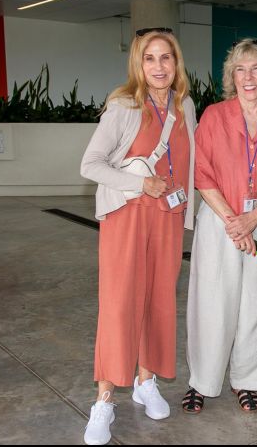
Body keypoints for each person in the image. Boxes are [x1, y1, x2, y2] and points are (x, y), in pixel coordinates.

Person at [79, 28, 196, 445]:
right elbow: (90, 164)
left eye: (166, 58)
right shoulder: (124, 106)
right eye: (150, 59)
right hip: (127, 218)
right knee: (120, 304)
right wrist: (138, 186)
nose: (159, 67)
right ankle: (105, 399)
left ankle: (146, 381)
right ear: (139, 65)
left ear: (176, 63)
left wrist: (189, 217)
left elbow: (190, 166)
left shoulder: (186, 107)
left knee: (159, 301)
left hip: (167, 219)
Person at [184, 39, 257, 414]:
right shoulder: (214, 116)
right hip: (220, 223)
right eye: (241, 69)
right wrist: (235, 222)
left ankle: (248, 380)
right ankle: (202, 381)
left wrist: (252, 218)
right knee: (212, 300)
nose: (248, 77)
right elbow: (201, 174)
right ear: (231, 76)